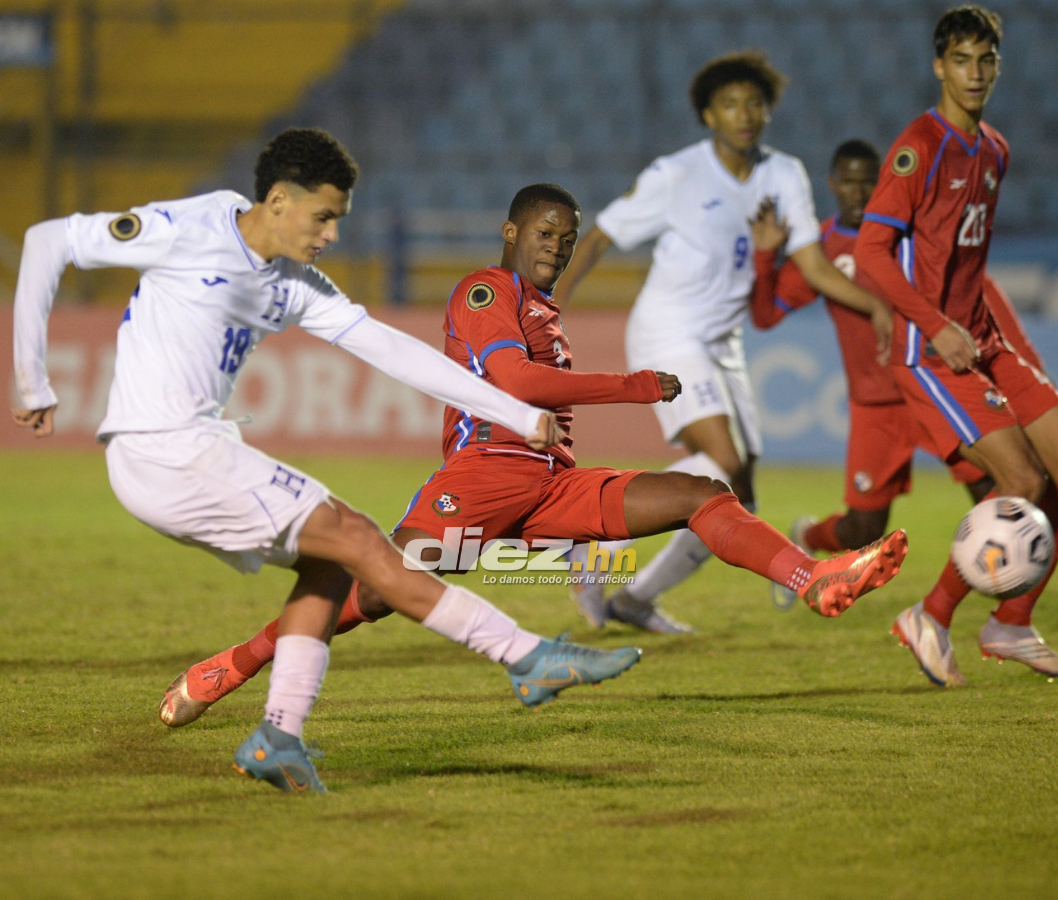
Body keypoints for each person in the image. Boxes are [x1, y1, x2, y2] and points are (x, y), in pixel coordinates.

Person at [11, 129, 649, 794]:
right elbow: (47, 241)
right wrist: (32, 381)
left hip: (191, 453)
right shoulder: (187, 226)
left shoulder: (294, 283)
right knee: (358, 539)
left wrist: (517, 415)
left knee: (327, 564)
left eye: (337, 221)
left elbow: (389, 349)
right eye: (324, 218)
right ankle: (526, 655)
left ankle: (278, 737)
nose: (331, 235)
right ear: (279, 201)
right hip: (164, 449)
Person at [158, 183, 910, 729]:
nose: (557, 246)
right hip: (485, 473)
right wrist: (635, 385)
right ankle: (242, 661)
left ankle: (811, 578)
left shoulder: (543, 308)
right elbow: (511, 380)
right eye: (545, 233)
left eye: (567, 237)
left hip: (551, 485)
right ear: (511, 231)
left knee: (699, 493)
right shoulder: (486, 291)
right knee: (379, 589)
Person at [552, 51, 890, 632]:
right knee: (724, 463)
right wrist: (547, 308)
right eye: (730, 104)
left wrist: (877, 305)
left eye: (754, 103)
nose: (745, 114)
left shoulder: (784, 173)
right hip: (669, 328)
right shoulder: (677, 173)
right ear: (708, 114)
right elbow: (602, 235)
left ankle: (635, 599)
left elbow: (812, 263)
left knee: (742, 497)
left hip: (722, 342)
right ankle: (594, 543)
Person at [855, 6, 1058, 685]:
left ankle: (1011, 623)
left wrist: (1004, 344)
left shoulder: (994, 148)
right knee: (1021, 481)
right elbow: (871, 252)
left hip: (983, 341)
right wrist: (933, 323)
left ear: (998, 67)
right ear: (939, 66)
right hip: (930, 352)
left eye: (986, 61)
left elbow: (970, 262)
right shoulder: (920, 145)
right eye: (961, 60)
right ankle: (928, 615)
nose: (974, 73)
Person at [748, 139, 1047, 630]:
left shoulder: (911, 239)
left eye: (869, 180)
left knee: (997, 493)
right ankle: (809, 533)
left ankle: (976, 614)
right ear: (831, 185)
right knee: (863, 529)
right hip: (877, 407)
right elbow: (764, 316)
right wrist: (765, 258)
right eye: (848, 180)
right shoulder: (819, 252)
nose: (859, 190)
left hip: (934, 390)